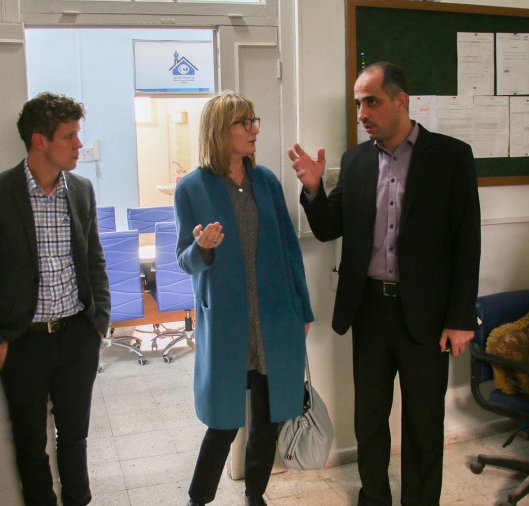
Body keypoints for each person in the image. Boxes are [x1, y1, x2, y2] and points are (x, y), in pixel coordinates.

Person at [289, 61, 481, 505]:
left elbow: (467, 241)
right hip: (370, 310)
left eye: (371, 102)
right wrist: (314, 190)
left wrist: (459, 318)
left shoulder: (450, 156)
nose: (362, 113)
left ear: (401, 101)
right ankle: (374, 498)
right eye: (358, 103)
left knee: (424, 423)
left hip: (427, 315)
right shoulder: (356, 161)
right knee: (369, 421)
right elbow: (329, 228)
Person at [0, 92, 110, 506]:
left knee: (75, 438)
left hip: (77, 336)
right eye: (69, 136)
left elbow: (94, 260)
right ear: (40, 141)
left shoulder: (81, 191)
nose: (79, 144)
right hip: (22, 343)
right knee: (29, 445)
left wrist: (99, 324)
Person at [174, 91, 314, 506]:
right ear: (221, 130)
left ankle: (256, 495)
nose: (254, 130)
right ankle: (198, 500)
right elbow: (184, 261)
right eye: (244, 123)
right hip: (227, 324)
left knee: (268, 419)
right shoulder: (191, 188)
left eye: (255, 121)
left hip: (274, 320)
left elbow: (289, 249)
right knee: (222, 424)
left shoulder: (266, 181)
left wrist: (303, 309)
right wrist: (202, 248)